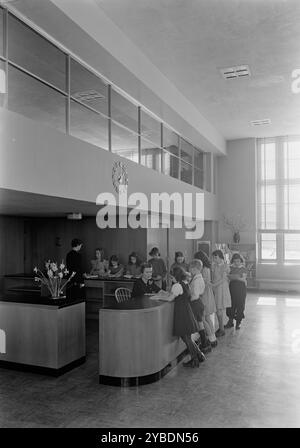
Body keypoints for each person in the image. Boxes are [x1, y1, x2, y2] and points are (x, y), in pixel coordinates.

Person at [169, 266, 205, 368]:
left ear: (176, 276)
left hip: (181, 314)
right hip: (187, 312)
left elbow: (170, 298)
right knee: (187, 337)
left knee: (185, 337)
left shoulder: (177, 286)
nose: (171, 279)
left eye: (172, 277)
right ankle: (199, 355)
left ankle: (195, 359)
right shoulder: (185, 283)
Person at [194, 250, 218, 348]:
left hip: (204, 295)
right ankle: (213, 338)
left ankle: (211, 339)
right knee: (207, 318)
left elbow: (204, 282)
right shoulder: (208, 267)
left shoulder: (203, 269)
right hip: (208, 294)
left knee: (203, 319)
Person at [189, 259, 211, 354]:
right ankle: (204, 342)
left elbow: (195, 296)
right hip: (198, 303)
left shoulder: (197, 280)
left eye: (190, 268)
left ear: (194, 269)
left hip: (196, 303)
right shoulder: (198, 277)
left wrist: (187, 299)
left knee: (198, 324)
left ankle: (204, 343)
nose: (189, 270)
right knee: (200, 324)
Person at [211, 249, 231, 337]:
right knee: (218, 309)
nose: (214, 259)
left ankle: (222, 329)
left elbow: (223, 279)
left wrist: (214, 285)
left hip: (221, 289)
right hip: (216, 288)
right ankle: (221, 327)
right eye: (213, 258)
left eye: (216, 257)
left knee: (219, 309)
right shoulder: (214, 265)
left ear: (220, 257)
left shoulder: (225, 266)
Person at [225, 253, 247, 330]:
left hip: (241, 288)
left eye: (238, 261)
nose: (236, 263)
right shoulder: (230, 268)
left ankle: (238, 322)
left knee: (240, 304)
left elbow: (243, 279)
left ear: (241, 261)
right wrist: (230, 277)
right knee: (231, 305)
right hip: (232, 288)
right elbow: (227, 277)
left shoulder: (243, 268)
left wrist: (236, 277)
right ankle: (230, 321)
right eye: (235, 261)